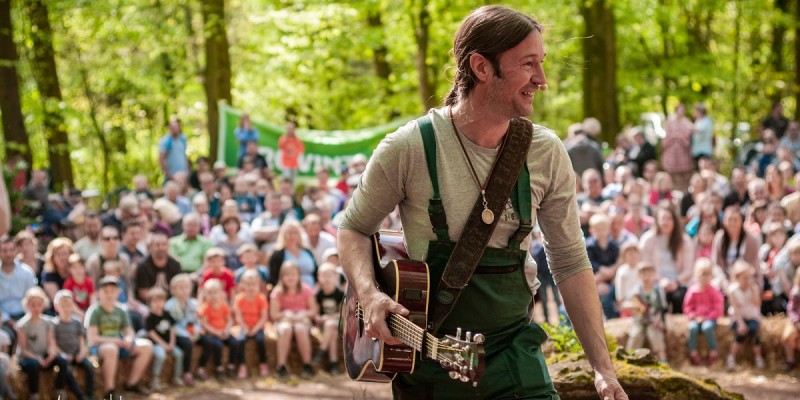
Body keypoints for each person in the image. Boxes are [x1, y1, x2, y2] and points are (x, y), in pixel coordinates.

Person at [337, 6, 625, 399]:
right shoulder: (409, 148)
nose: (541, 80)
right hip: (429, 370)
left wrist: (603, 370)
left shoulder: (546, 152)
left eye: (541, 63)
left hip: (516, 359)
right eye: (528, 64)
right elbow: (353, 228)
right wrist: (369, 294)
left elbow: (571, 261)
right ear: (481, 67)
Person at [85, 276, 153, 398]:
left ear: (118, 293)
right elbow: (92, 338)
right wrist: (113, 340)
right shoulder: (94, 311)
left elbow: (129, 331)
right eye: (106, 291)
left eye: (112, 291)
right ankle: (109, 390)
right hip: (101, 347)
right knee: (111, 349)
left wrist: (129, 339)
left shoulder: (121, 310)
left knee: (146, 346)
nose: (109, 294)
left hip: (118, 344)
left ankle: (132, 383)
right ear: (99, 293)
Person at [16, 287, 85, 400]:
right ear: (27, 305)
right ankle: (34, 394)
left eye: (39, 304)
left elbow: (51, 344)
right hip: (29, 358)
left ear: (43, 305)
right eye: (33, 305)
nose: (36, 308)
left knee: (62, 361)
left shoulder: (48, 322)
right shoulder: (22, 325)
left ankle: (60, 390)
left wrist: (51, 355)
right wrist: (37, 358)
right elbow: (23, 350)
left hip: (44, 357)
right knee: (33, 365)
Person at [639, 204, 695, 314]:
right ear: (657, 221)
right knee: (657, 296)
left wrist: (676, 282)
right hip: (655, 282)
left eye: (669, 219)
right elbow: (645, 267)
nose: (666, 222)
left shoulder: (685, 241)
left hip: (679, 283)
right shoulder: (647, 240)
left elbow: (688, 269)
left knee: (678, 297)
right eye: (663, 219)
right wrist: (660, 280)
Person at [270, 261, 317, 379]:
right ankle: (281, 366)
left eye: (293, 274)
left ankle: (307, 365)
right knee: (286, 330)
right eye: (287, 274)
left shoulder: (306, 290)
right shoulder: (277, 292)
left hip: (302, 319)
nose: (290, 277)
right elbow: (274, 314)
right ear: (282, 277)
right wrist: (285, 314)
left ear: (298, 275)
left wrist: (303, 314)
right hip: (284, 319)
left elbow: (313, 310)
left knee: (300, 329)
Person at [197, 278, 244, 381]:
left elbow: (229, 320)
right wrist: (217, 332)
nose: (213, 296)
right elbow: (204, 324)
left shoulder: (223, 305)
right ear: (205, 295)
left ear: (221, 293)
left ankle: (231, 365)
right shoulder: (205, 308)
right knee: (218, 345)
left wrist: (227, 330)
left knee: (235, 343)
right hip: (212, 333)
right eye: (210, 293)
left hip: (224, 332)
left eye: (215, 292)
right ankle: (218, 368)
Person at [52, 290, 94, 400]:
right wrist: (63, 355)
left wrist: (81, 352)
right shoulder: (54, 324)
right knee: (68, 371)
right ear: (57, 307)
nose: (66, 308)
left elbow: (82, 340)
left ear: (73, 306)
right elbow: (53, 343)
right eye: (63, 305)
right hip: (64, 356)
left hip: (76, 354)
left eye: (69, 305)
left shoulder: (77, 322)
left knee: (89, 366)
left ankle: (90, 394)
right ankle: (79, 395)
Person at [624, 262, 668, 363]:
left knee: (655, 334)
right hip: (640, 320)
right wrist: (633, 307)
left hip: (654, 321)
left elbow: (662, 308)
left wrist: (658, 320)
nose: (646, 278)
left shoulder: (658, 291)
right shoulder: (636, 291)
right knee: (636, 335)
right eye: (643, 275)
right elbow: (627, 303)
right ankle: (630, 357)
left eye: (649, 275)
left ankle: (663, 359)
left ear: (654, 275)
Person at [683, 259, 724, 366]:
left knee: (707, 328)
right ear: (696, 275)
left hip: (709, 319)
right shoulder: (692, 291)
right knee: (692, 328)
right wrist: (693, 316)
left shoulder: (714, 291)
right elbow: (687, 307)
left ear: (711, 276)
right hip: (696, 318)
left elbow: (718, 308)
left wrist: (708, 317)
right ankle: (692, 351)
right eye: (702, 274)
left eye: (708, 274)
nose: (705, 277)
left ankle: (713, 350)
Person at [1, 236, 38, 353]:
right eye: (4, 251)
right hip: (3, 318)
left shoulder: (26, 272)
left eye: (11, 250)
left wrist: (24, 320)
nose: (8, 254)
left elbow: (32, 298)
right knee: (7, 337)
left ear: (16, 250)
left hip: (25, 314)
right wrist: (8, 320)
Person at [726, 260, 765, 371]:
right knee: (741, 333)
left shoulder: (753, 288)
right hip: (738, 318)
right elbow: (736, 309)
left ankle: (758, 358)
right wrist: (741, 324)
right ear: (737, 277)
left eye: (750, 277)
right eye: (745, 278)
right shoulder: (732, 290)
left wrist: (754, 292)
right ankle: (731, 358)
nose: (748, 280)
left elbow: (757, 304)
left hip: (751, 316)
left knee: (754, 332)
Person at [145, 287, 185, 390]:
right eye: (155, 301)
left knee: (179, 354)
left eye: (161, 300)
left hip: (168, 343)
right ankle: (155, 379)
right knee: (161, 355)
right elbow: (151, 333)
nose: (159, 304)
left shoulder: (167, 314)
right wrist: (163, 344)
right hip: (156, 344)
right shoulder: (150, 317)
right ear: (149, 303)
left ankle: (176, 377)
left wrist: (172, 343)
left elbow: (172, 329)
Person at [233, 269, 269, 377]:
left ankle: (263, 364)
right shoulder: (239, 299)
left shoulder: (261, 299)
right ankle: (242, 366)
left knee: (260, 340)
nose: (251, 287)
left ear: (258, 285)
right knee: (240, 341)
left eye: (253, 284)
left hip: (257, 327)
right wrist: (244, 327)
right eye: (248, 284)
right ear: (242, 285)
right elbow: (238, 316)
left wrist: (255, 329)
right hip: (244, 327)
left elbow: (263, 317)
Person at [164, 274, 198, 386]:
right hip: (176, 334)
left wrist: (195, 332)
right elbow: (172, 326)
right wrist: (187, 334)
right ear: (173, 290)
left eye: (186, 287)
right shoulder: (169, 306)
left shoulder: (193, 303)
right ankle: (186, 373)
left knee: (209, 341)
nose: (184, 291)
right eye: (181, 288)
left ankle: (201, 369)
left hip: (190, 332)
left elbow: (195, 321)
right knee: (187, 345)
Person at [312, 262, 344, 374]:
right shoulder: (318, 294)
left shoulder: (340, 294)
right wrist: (318, 318)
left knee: (331, 324)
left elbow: (343, 313)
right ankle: (334, 364)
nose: (327, 279)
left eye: (329, 275)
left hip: (338, 323)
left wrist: (328, 317)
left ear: (336, 278)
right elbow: (315, 313)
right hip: (325, 326)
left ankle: (321, 352)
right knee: (333, 334)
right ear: (319, 278)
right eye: (324, 276)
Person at [134, 232, 182, 304]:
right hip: (149, 302)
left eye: (164, 244)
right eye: (157, 245)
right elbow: (143, 293)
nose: (161, 248)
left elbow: (180, 286)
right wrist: (160, 303)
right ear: (150, 247)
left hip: (172, 302)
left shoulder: (175, 264)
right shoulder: (143, 265)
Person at [268, 220, 317, 287]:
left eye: (295, 233)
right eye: (289, 233)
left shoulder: (307, 251)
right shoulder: (277, 255)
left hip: (311, 291)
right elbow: (273, 278)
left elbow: (316, 273)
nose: (292, 236)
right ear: (284, 235)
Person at [661, 103, 695, 191]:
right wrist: (673, 136)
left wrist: (679, 137)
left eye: (683, 110)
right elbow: (666, 136)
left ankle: (684, 191)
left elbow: (689, 136)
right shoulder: (670, 121)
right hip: (671, 150)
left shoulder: (687, 122)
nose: (681, 112)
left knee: (683, 174)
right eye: (680, 110)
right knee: (671, 174)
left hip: (682, 151)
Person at [63, 254, 95, 319]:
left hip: (87, 309)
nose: (78, 270)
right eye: (74, 267)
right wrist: (80, 313)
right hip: (74, 310)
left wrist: (90, 312)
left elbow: (92, 298)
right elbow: (70, 301)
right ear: (69, 269)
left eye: (80, 267)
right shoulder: (68, 283)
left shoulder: (89, 281)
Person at [159, 117, 190, 181]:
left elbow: (184, 155)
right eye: (172, 127)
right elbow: (161, 158)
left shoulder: (182, 139)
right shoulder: (166, 141)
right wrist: (168, 174)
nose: (174, 129)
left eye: (176, 127)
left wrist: (187, 170)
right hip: (172, 175)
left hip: (183, 173)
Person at [782, 268, 800, 371]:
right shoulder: (796, 292)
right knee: (788, 336)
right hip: (795, 321)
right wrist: (796, 322)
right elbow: (791, 309)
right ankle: (790, 360)